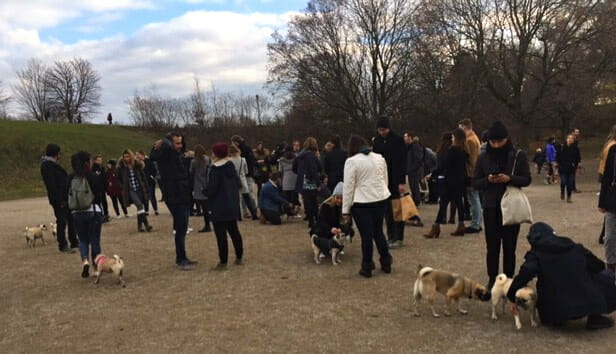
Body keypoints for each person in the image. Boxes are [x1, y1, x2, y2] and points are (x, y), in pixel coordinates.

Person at [507, 223, 616, 330]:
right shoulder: (574, 247)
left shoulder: (535, 254)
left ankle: (556, 318)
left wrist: (511, 295)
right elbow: (599, 266)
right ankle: (595, 316)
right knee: (605, 275)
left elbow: (526, 272)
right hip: (584, 304)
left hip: (555, 310)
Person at [473, 121, 531, 290]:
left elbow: (526, 179)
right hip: (491, 206)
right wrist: (488, 180)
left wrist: (509, 179)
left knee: (509, 247)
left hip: (511, 206)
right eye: (493, 142)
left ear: (507, 139)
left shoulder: (518, 155)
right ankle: (492, 278)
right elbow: (475, 182)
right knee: (492, 247)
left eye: (500, 141)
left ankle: (509, 279)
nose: (496, 145)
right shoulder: (483, 157)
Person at [342, 135, 393, 278]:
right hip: (380, 198)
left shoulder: (351, 162)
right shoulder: (379, 158)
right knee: (378, 232)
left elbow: (348, 187)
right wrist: (383, 193)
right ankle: (386, 261)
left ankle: (367, 266)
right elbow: (385, 179)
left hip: (362, 202)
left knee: (366, 235)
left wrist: (345, 210)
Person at [150, 133, 197, 271]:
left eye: (181, 143)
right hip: (176, 196)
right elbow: (154, 155)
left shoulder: (176, 155)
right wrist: (162, 142)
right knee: (181, 228)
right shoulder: (167, 154)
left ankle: (182, 256)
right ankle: (181, 258)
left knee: (181, 228)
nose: (180, 146)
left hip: (182, 194)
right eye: (177, 143)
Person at [205, 143, 244, 269]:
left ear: (216, 154)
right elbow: (238, 183)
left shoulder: (215, 169)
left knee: (221, 235)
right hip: (231, 204)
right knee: (234, 231)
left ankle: (223, 261)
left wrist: (204, 191)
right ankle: (239, 257)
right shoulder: (231, 166)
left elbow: (213, 188)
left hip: (219, 205)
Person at [424, 128, 468, 238]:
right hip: (460, 181)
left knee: (443, 204)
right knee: (459, 202)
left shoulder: (451, 151)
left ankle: (436, 227)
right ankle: (461, 224)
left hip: (449, 181)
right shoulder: (463, 151)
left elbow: (443, 166)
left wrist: (432, 174)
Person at [67, 151, 105, 278]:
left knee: (82, 239)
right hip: (93, 211)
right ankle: (95, 267)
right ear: (86, 162)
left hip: (76, 213)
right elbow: (99, 196)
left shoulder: (70, 177)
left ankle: (85, 261)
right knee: (95, 239)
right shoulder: (92, 176)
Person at [372, 116, 407, 249]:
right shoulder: (377, 142)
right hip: (382, 180)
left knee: (397, 209)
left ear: (388, 128)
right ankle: (390, 236)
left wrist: (402, 182)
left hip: (395, 179)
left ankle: (399, 237)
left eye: (384, 129)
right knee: (387, 210)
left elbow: (402, 162)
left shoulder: (398, 141)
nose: (382, 132)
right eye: (380, 130)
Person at [40, 143, 78, 254]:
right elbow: (51, 185)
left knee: (71, 219)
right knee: (62, 221)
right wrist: (59, 200)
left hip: (65, 197)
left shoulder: (52, 164)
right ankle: (63, 244)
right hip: (59, 199)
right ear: (56, 154)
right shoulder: (47, 166)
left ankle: (74, 241)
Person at [118, 149, 153, 232]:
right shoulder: (121, 167)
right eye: (124, 157)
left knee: (140, 207)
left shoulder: (137, 165)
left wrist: (146, 188)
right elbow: (118, 179)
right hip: (130, 190)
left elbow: (143, 177)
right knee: (140, 205)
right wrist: (122, 186)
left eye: (128, 156)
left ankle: (139, 226)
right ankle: (147, 225)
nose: (126, 158)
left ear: (131, 156)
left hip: (139, 188)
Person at [459, 119, 483, 234]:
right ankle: (478, 222)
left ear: (464, 127)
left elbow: (471, 160)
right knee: (476, 199)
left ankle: (475, 224)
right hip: (476, 172)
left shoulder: (469, 141)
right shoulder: (475, 138)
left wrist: (469, 175)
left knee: (473, 199)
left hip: (472, 174)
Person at [293, 137, 322, 229]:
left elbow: (294, 167)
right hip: (311, 181)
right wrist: (318, 183)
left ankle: (310, 220)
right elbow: (316, 169)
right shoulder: (312, 156)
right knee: (314, 202)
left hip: (302, 181)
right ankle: (316, 220)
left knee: (307, 201)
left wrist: (301, 173)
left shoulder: (300, 155)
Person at [599, 133, 616, 273]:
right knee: (609, 237)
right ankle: (610, 266)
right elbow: (607, 177)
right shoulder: (613, 150)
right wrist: (602, 201)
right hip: (613, 199)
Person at [229, 144, 259, 220]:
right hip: (243, 180)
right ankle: (254, 214)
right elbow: (246, 171)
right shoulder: (243, 160)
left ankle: (238, 216)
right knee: (247, 199)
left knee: (236, 200)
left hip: (233, 181)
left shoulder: (229, 161)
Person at [190, 145, 211, 232]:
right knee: (207, 206)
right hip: (207, 182)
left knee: (202, 204)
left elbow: (191, 172)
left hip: (198, 184)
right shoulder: (208, 159)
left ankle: (207, 225)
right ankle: (208, 223)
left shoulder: (194, 162)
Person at [556, 134, 581, 203]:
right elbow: (557, 156)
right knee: (563, 181)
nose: (570, 140)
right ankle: (562, 191)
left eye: (571, 139)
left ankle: (569, 197)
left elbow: (578, 157)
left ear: (573, 140)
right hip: (563, 168)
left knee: (570, 183)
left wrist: (577, 164)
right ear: (566, 139)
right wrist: (557, 164)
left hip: (571, 168)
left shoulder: (575, 148)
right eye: (569, 138)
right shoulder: (562, 147)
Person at [136, 151, 159, 216]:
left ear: (142, 155)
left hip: (150, 181)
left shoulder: (148, 161)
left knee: (152, 196)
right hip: (143, 182)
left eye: (138, 155)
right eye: (137, 155)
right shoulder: (138, 163)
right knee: (145, 196)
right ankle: (146, 210)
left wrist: (151, 176)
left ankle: (155, 209)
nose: (137, 156)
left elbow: (154, 170)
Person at [278, 145, 300, 210]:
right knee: (294, 197)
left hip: (285, 179)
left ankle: (287, 210)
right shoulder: (296, 159)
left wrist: (280, 181)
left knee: (286, 197)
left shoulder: (281, 160)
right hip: (295, 179)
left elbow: (280, 171)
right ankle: (294, 210)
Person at [91, 155, 110, 222]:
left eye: (100, 160)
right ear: (95, 161)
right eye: (98, 160)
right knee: (99, 201)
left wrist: (106, 185)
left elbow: (104, 177)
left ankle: (106, 214)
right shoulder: (93, 168)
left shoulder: (102, 168)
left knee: (104, 201)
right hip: (97, 187)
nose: (100, 161)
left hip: (102, 187)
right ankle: (101, 215)